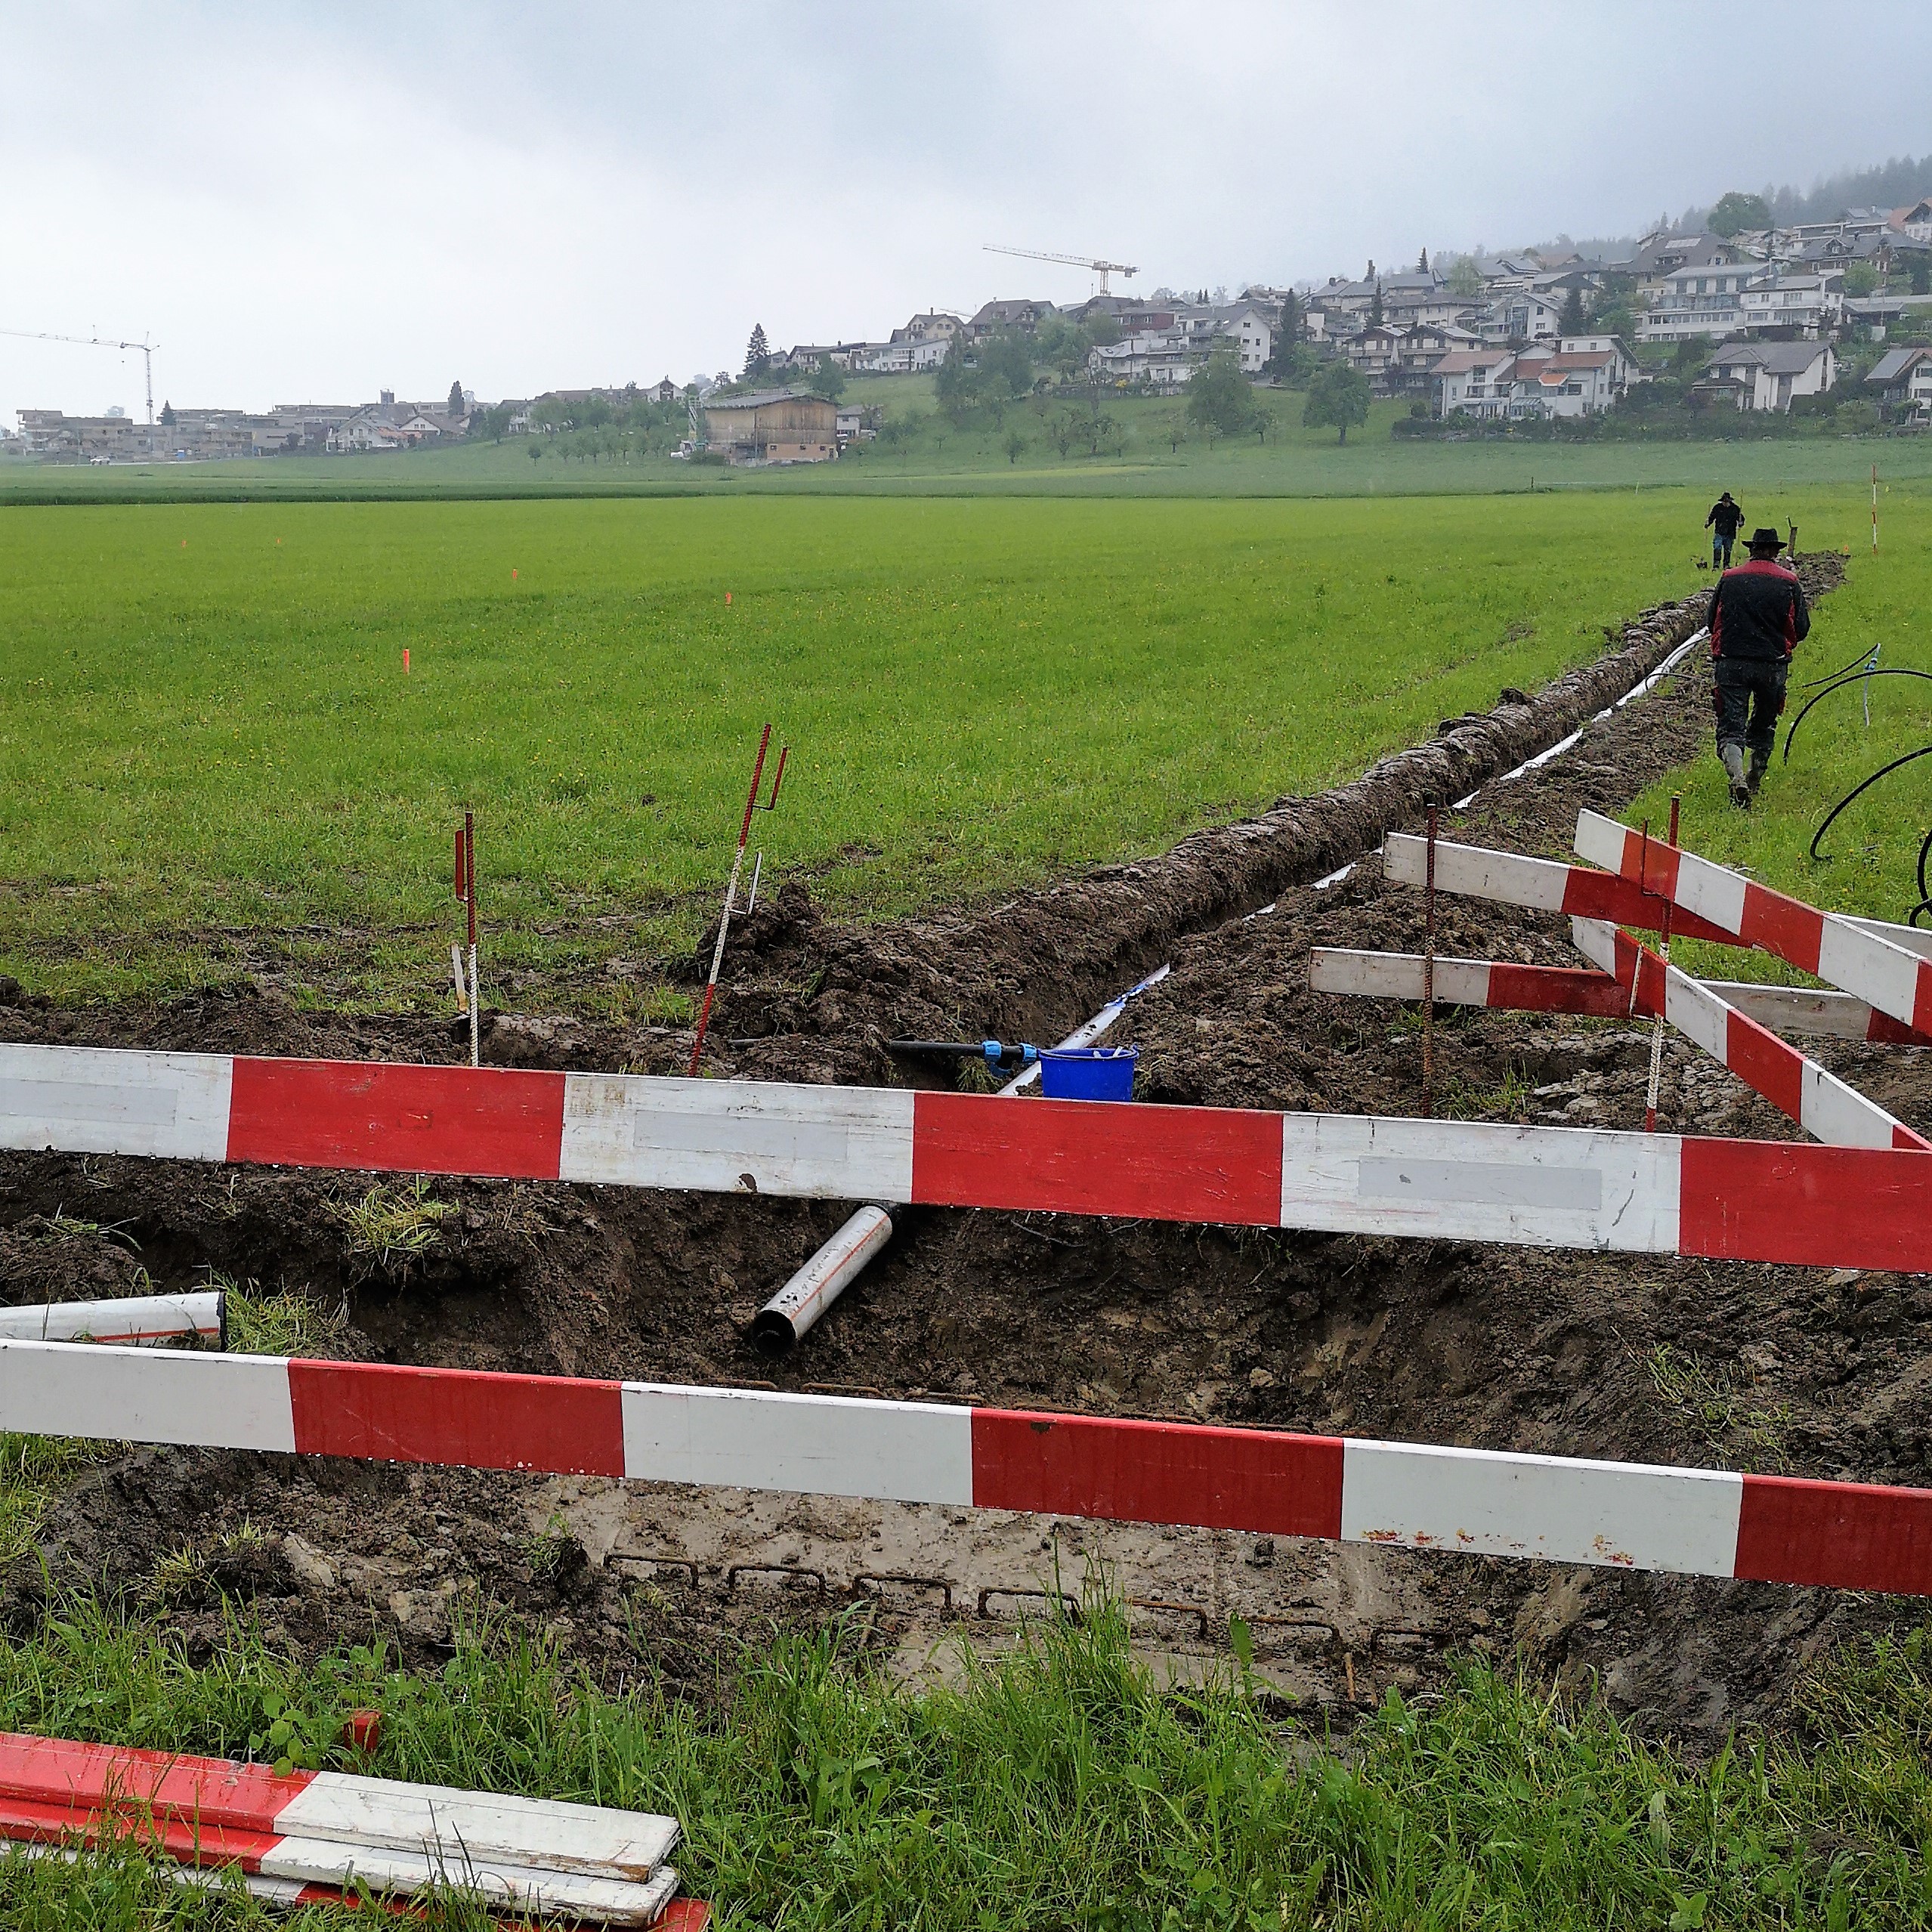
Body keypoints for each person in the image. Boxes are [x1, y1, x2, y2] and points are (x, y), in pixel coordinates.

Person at [1708, 527, 1808, 808]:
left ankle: (1736, 774)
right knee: (1765, 723)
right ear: (1775, 551)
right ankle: (1754, 778)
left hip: (1732, 663)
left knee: (1731, 725)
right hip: (1772, 666)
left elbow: (1711, 621)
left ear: (1751, 550)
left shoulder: (1729, 579)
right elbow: (1801, 629)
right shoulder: (1789, 582)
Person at [1705, 491, 1745, 570]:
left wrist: (1741, 523)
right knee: (1717, 547)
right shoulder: (1717, 508)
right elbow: (1711, 517)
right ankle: (1716, 565)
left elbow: (1741, 519)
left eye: (1727, 502)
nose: (1725, 503)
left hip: (1730, 533)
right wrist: (1708, 523)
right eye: (1724, 501)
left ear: (1730, 501)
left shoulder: (1735, 509)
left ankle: (1726, 565)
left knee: (1728, 549)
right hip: (1719, 532)